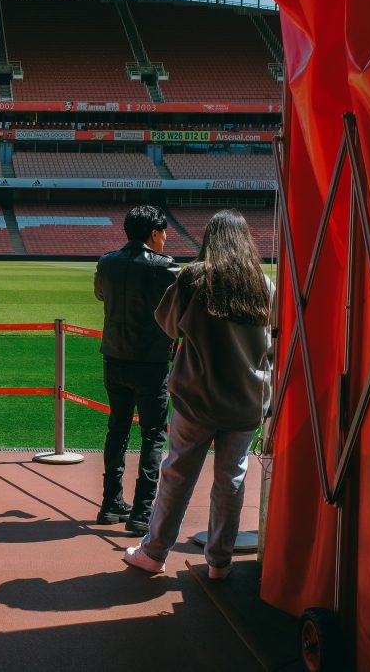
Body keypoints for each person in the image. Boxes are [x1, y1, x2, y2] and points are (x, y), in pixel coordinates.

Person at [124, 209, 274, 579]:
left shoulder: (193, 278)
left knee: (177, 475)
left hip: (197, 398)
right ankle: (219, 562)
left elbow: (168, 325)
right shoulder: (263, 284)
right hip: (247, 399)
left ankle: (154, 553)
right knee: (232, 479)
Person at [93, 205, 179, 536]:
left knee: (117, 429)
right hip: (151, 364)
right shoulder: (165, 266)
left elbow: (100, 294)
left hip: (113, 358)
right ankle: (142, 512)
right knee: (153, 434)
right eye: (164, 233)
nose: (166, 238)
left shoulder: (107, 262)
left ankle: (110, 504)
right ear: (154, 233)